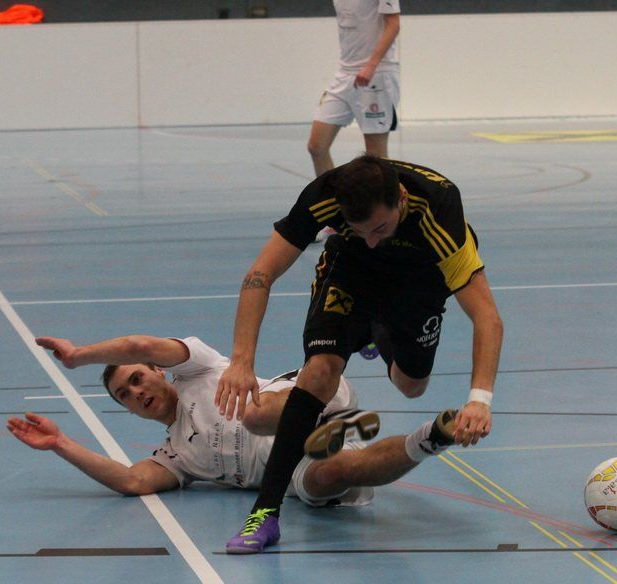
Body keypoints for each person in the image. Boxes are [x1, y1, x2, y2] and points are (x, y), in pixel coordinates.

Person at [216, 155, 504, 553]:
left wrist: (479, 400)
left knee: (411, 385)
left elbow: (487, 316)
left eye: (380, 228)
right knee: (319, 372)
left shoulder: (439, 209)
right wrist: (241, 360)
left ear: (401, 198)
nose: (372, 239)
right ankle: (264, 513)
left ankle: (377, 329)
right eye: (359, 229)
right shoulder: (325, 195)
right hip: (351, 272)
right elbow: (260, 274)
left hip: (420, 279)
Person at [9, 334, 458, 554]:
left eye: (138, 377)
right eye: (124, 395)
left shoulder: (198, 368)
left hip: (305, 398)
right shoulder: (176, 455)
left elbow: (141, 342)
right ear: (127, 410)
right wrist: (61, 443)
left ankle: (318, 417)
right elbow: (131, 480)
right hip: (300, 465)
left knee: (253, 413)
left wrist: (79, 356)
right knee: (326, 477)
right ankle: (430, 438)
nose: (136, 392)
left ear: (158, 371)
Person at [307, 0, 401, 178]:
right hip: (345, 73)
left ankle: (387, 196)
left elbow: (394, 25)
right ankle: (331, 195)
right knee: (317, 146)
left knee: (376, 158)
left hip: (377, 73)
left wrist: (371, 66)